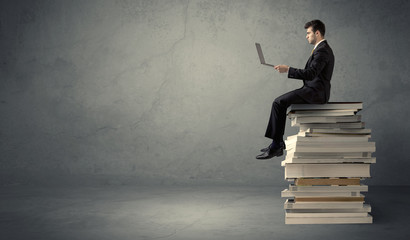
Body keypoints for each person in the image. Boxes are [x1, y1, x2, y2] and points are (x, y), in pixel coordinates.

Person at [256, 19, 335, 160]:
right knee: (279, 102)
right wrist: (287, 70)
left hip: (316, 93)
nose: (307, 36)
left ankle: (276, 145)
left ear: (317, 33)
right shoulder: (321, 49)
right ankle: (277, 143)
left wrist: (288, 70)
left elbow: (311, 73)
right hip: (312, 90)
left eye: (308, 33)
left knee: (278, 102)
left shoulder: (322, 51)